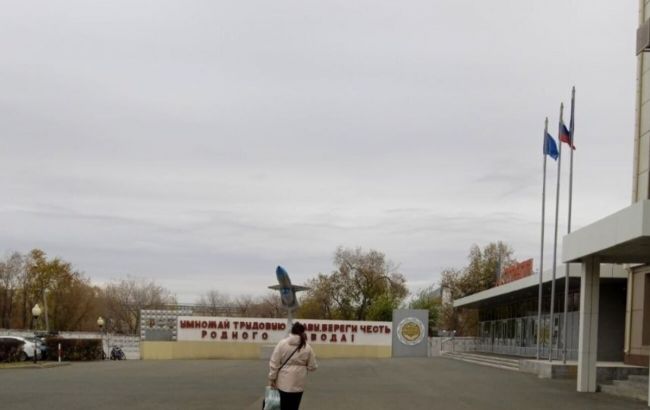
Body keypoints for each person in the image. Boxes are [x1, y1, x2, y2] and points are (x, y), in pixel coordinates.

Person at [268, 322, 318, 410]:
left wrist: (272, 378)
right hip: (298, 385)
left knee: (282, 407)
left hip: (282, 384)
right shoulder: (307, 347)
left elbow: (274, 363)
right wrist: (303, 366)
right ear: (303, 332)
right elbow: (313, 367)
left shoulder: (282, 344)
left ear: (291, 331)